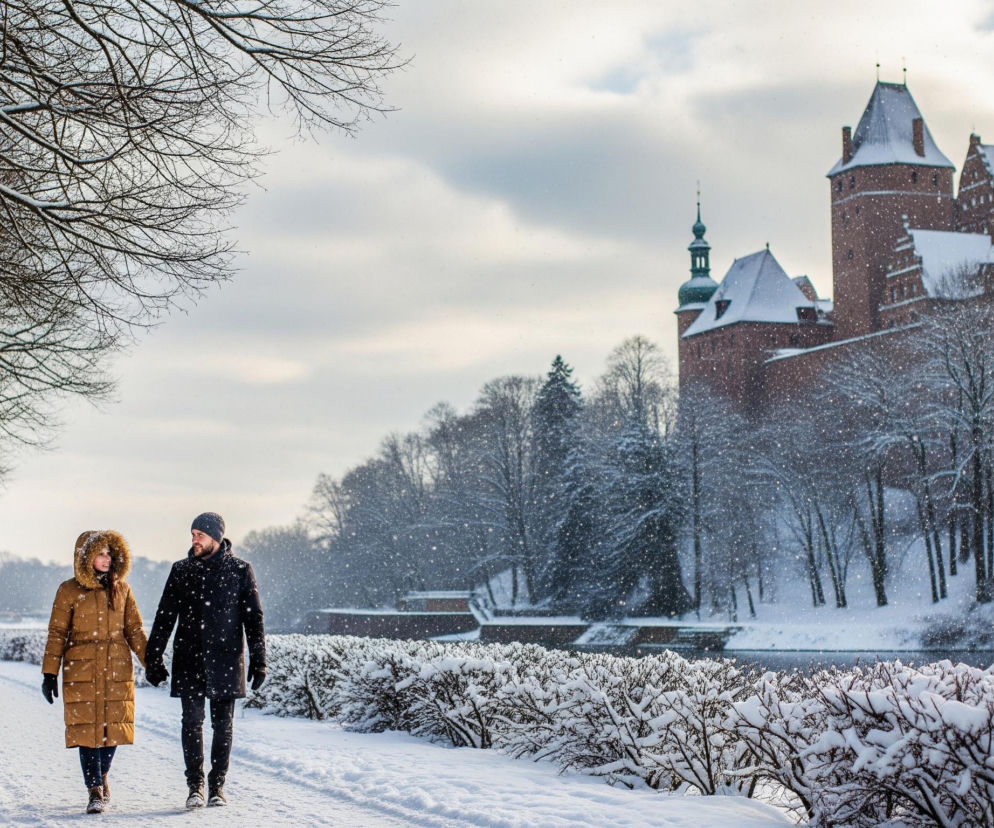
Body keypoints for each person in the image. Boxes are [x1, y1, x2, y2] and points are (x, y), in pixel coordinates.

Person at [144, 512, 266, 809]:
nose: (194, 540)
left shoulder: (240, 571)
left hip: (226, 660)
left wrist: (259, 660)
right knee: (192, 723)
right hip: (189, 658)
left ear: (216, 537)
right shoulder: (181, 570)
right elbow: (164, 617)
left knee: (223, 726)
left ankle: (217, 785)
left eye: (199, 534)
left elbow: (254, 619)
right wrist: (154, 658)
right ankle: (195, 784)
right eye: (192, 534)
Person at [42, 530, 149, 814]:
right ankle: (94, 790)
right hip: (81, 668)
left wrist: (152, 663)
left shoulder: (122, 589)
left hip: (116, 666)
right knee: (87, 732)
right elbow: (57, 633)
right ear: (86, 557)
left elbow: (135, 630)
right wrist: (49, 672)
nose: (106, 559)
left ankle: (102, 774)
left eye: (109, 554)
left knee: (112, 729)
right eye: (100, 553)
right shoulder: (69, 590)